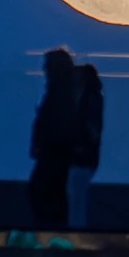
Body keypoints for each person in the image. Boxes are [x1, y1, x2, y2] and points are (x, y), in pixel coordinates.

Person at [28, 48, 78, 227]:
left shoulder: (59, 95)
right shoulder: (63, 93)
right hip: (54, 155)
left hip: (53, 156)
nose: (44, 70)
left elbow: (56, 125)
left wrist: (42, 144)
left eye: (48, 66)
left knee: (46, 197)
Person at [68, 63, 103, 228]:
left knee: (76, 198)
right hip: (84, 158)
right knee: (77, 198)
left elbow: (91, 127)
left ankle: (75, 229)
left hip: (82, 158)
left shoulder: (89, 98)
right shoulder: (91, 97)